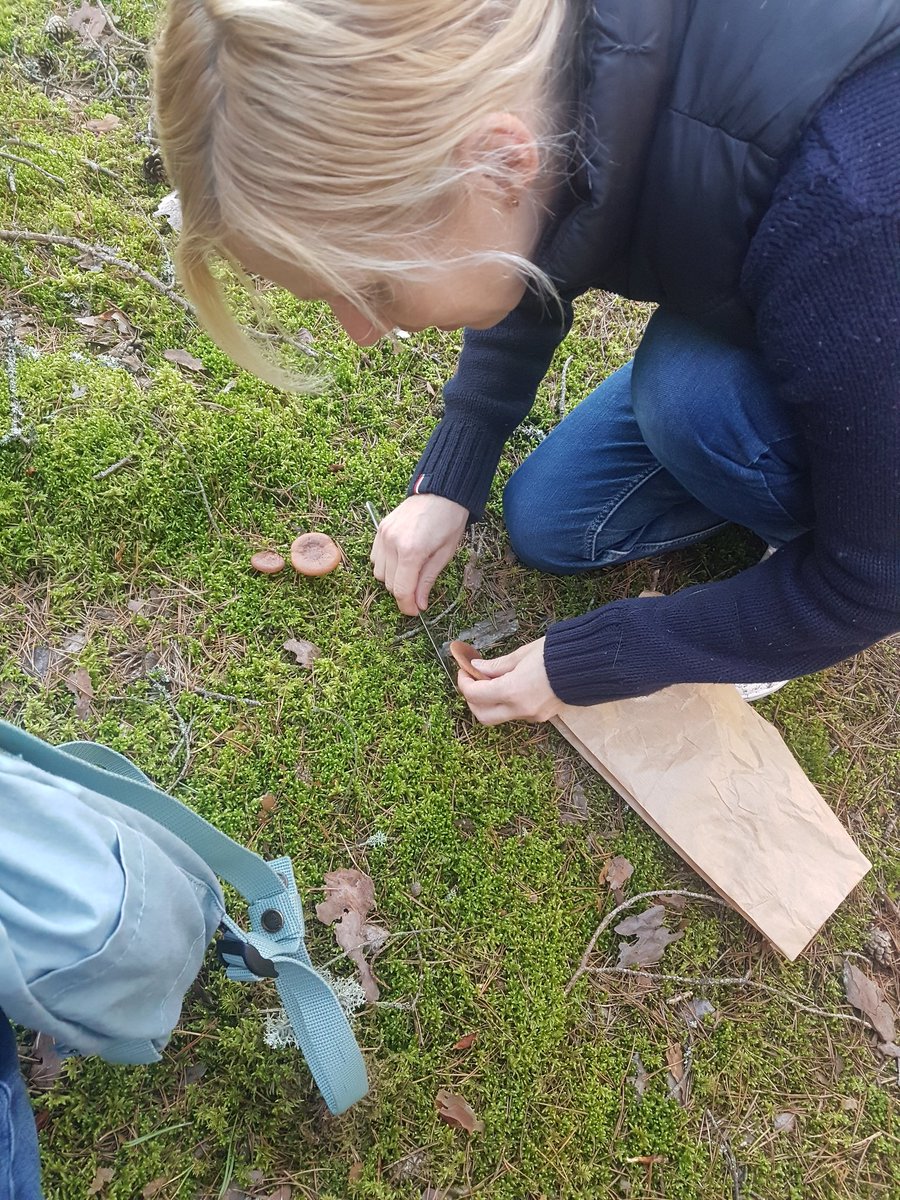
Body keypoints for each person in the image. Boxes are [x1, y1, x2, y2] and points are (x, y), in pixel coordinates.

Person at [153, 0, 900, 725]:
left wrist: (601, 658)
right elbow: (539, 237)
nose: (361, 334)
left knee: (687, 392)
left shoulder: (853, 216)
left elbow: (874, 582)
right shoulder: (562, 71)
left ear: (500, 161)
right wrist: (454, 469)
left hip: (865, 321)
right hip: (814, 312)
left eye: (373, 287)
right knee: (550, 521)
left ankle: (823, 509)